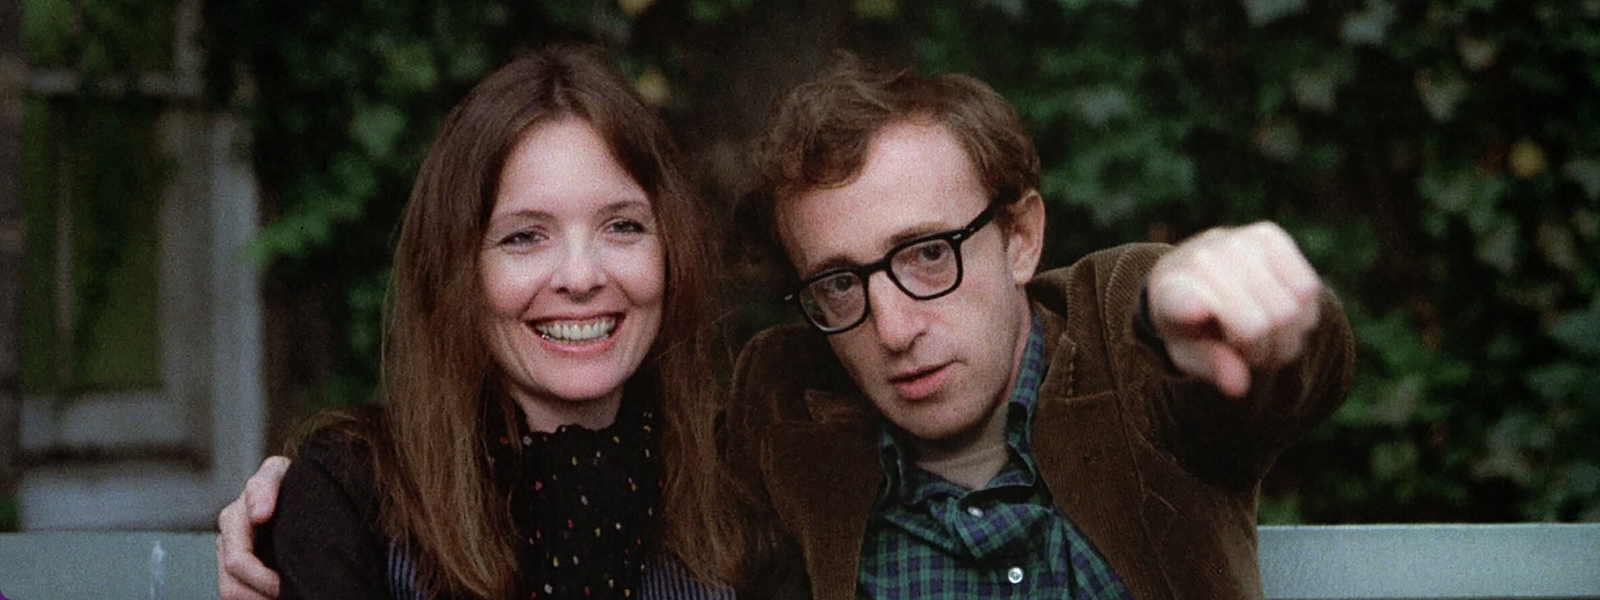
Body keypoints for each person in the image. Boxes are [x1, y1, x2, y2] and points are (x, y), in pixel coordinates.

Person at [220, 55, 1355, 600]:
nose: (895, 324)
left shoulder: (1129, 374)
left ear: (1019, 237)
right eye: (841, 282)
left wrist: (1227, 298)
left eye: (927, 254)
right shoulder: (776, 432)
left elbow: (1260, 372)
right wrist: (311, 495)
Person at [220, 45, 743, 600]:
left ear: (671, 251)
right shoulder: (350, 498)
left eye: (623, 226)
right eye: (524, 236)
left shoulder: (743, 488)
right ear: (457, 270)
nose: (581, 275)